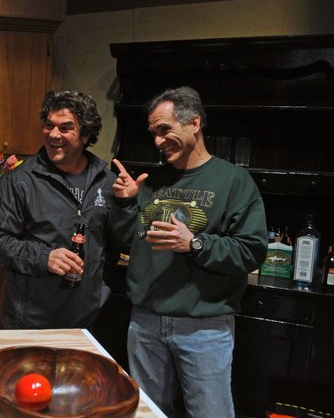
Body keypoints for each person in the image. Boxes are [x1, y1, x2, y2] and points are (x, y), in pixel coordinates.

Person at [110, 87, 267, 417]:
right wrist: (125, 203)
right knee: (147, 413)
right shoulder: (151, 181)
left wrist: (195, 243)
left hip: (205, 326)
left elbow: (251, 251)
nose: (157, 141)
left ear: (194, 123)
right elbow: (128, 242)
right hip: (145, 322)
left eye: (164, 129)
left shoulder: (234, 181)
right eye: (153, 133)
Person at [0, 89, 117, 329]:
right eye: (48, 125)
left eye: (65, 128)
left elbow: (119, 243)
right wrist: (45, 257)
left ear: (85, 135)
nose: (53, 134)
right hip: (31, 320)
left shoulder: (105, 181)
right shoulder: (21, 180)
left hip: (87, 319)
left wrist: (127, 204)